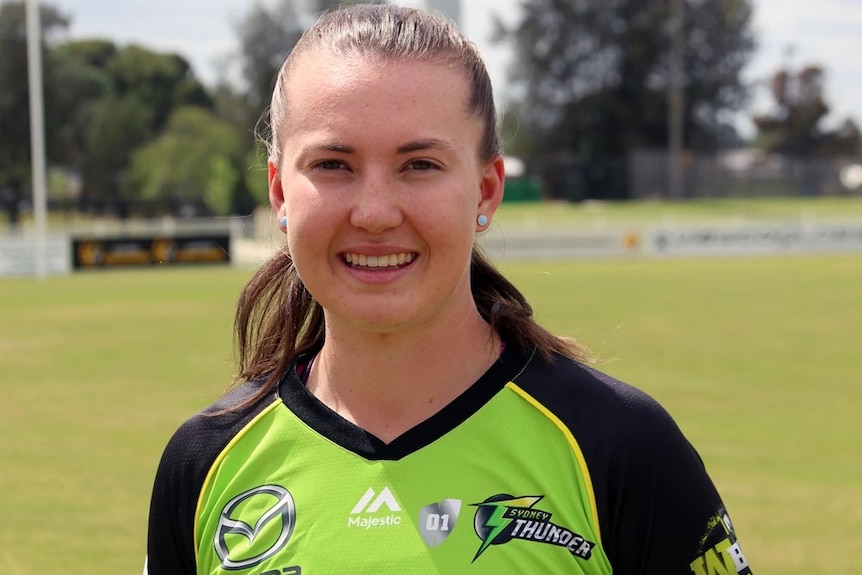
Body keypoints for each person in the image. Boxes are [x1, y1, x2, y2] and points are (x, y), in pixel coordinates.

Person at [145, 4, 753, 574]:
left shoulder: (620, 447)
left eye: (420, 165)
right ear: (280, 192)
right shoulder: (204, 467)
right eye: (333, 165)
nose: (376, 213)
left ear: (487, 190)